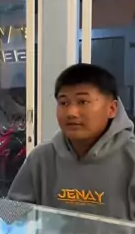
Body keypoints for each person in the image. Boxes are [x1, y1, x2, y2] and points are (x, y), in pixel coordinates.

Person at [8, 63, 135, 219]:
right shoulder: (41, 159)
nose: (71, 113)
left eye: (83, 102)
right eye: (63, 103)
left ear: (112, 109)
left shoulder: (131, 159)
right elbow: (13, 216)